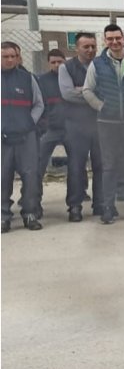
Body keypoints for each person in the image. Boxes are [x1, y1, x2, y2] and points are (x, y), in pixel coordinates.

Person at [83, 24, 124, 224]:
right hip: (107, 123)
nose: (114, 42)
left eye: (117, 38)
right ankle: (108, 209)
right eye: (110, 39)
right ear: (105, 41)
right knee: (109, 167)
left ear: (123, 39)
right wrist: (101, 107)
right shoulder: (98, 63)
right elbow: (87, 90)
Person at [57, 32, 104, 221]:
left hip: (100, 124)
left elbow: (107, 91)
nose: (91, 50)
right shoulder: (66, 68)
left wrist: (83, 91)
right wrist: (93, 94)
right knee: (76, 167)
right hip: (76, 125)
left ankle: (101, 204)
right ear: (77, 48)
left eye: (93, 46)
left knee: (101, 165)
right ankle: (75, 206)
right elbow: (67, 94)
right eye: (86, 46)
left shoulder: (102, 66)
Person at [2, 41, 46, 232]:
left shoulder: (28, 78)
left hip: (26, 137)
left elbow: (39, 104)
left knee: (30, 176)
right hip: (2, 139)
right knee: (2, 177)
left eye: (13, 56)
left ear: (18, 57)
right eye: (5, 56)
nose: (10, 60)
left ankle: (30, 213)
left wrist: (29, 123)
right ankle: (3, 216)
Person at [34, 49, 67, 194]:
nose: (57, 65)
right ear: (48, 64)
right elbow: (38, 104)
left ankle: (80, 192)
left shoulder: (71, 78)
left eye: (60, 62)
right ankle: (32, 196)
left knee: (77, 162)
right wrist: (44, 124)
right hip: (50, 129)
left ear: (65, 62)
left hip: (70, 128)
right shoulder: (42, 81)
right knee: (39, 161)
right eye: (53, 62)